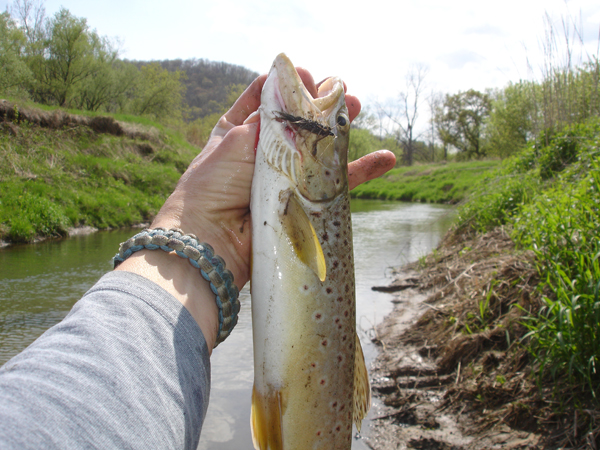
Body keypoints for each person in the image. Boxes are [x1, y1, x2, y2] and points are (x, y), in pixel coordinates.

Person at [0, 67, 396, 449]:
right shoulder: (298, 191)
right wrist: (199, 227)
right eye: (338, 124)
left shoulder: (309, 202)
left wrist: (191, 227)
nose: (333, 118)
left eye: (337, 125)